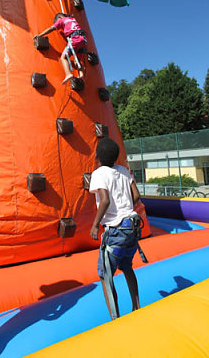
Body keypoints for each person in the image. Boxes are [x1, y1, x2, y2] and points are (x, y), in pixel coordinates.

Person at [89, 137, 142, 320]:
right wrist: (126, 206)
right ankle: (136, 307)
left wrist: (96, 225)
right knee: (127, 267)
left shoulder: (99, 174)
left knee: (106, 275)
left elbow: (105, 200)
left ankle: (115, 318)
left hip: (116, 230)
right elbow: (136, 195)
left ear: (97, 156)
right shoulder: (123, 171)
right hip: (132, 228)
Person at [35, 13, 87, 84]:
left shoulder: (61, 20)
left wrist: (40, 35)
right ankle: (81, 74)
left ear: (59, 17)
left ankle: (68, 74)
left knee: (63, 58)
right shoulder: (72, 19)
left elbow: (51, 28)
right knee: (77, 60)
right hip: (83, 40)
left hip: (75, 39)